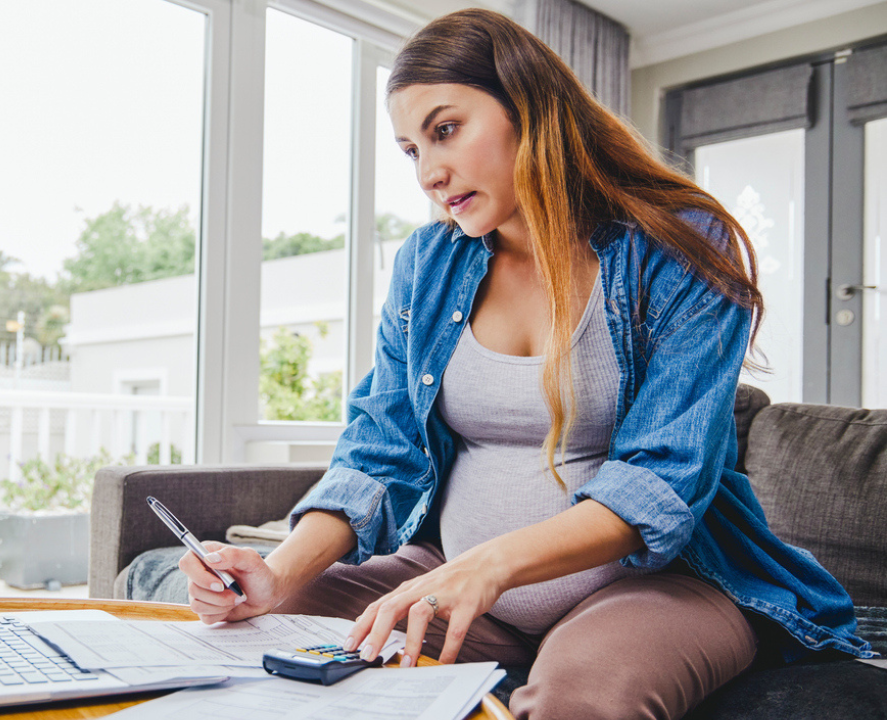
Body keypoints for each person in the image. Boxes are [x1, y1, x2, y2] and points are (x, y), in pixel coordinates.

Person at [178, 8, 874, 720]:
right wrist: (274, 572)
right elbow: (381, 448)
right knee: (258, 631)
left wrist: (491, 564)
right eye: (411, 151)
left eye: (445, 130)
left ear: (531, 110)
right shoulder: (429, 263)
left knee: (584, 698)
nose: (430, 173)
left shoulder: (682, 247)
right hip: (454, 579)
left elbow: (663, 480)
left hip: (661, 583)